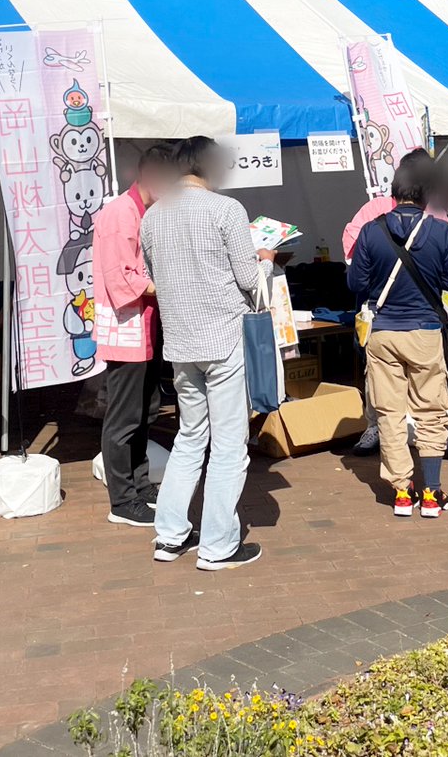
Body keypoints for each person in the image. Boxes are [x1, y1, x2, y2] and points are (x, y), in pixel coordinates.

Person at [140, 136, 274, 570]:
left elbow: (155, 276)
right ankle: (218, 545)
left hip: (181, 342)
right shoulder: (226, 210)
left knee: (190, 437)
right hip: (223, 338)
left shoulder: (152, 216)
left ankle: (170, 535)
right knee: (230, 445)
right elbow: (250, 280)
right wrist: (267, 259)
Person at [348, 155, 448, 518]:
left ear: (394, 192)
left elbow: (355, 283)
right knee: (431, 410)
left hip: (382, 333)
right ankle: (430, 492)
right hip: (425, 331)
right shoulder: (441, 230)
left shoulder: (371, 229)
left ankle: (401, 491)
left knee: (389, 412)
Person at [95, 142, 178, 527]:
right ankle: (121, 499)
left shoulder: (148, 212)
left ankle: (140, 486)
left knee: (145, 411)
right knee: (124, 416)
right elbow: (122, 277)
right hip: (126, 326)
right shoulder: (119, 214)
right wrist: (168, 284)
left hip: (147, 324)